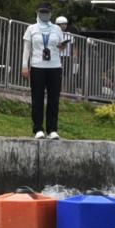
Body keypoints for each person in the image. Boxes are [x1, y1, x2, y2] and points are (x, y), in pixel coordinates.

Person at [22, 11, 74, 139]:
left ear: (51, 14)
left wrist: (61, 46)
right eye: (42, 12)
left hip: (55, 66)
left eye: (47, 12)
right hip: (37, 66)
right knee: (37, 98)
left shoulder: (56, 29)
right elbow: (27, 48)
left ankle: (52, 129)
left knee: (54, 99)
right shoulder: (31, 28)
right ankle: (38, 128)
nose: (45, 15)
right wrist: (24, 66)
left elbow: (61, 47)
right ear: (38, 13)